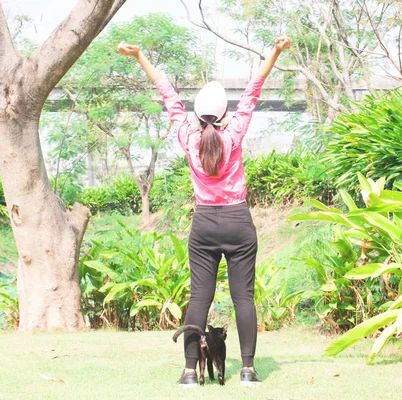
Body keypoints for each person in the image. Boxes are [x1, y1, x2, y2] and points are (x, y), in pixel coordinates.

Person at [117, 35, 292, 387]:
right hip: (238, 221)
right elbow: (254, 89)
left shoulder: (186, 135)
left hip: (204, 224)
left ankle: (188, 373)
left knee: (200, 296)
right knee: (243, 297)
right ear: (224, 114)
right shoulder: (235, 133)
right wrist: (274, 51)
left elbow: (166, 91)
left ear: (196, 115)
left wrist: (139, 55)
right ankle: (247, 370)